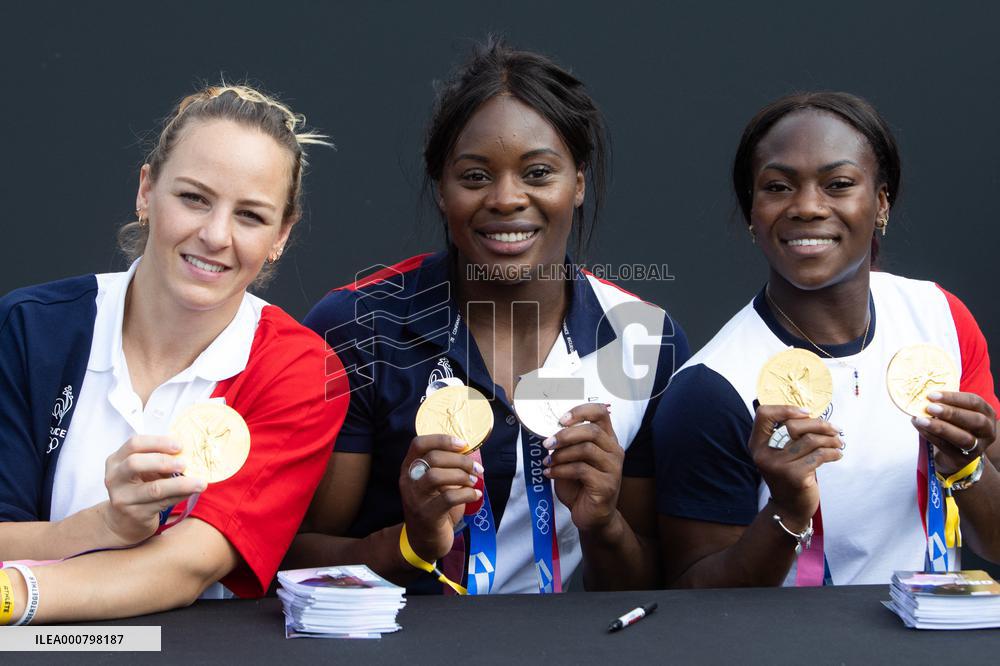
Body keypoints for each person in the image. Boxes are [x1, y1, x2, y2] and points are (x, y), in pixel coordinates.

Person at [288, 38, 689, 594]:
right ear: (440, 190)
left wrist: (604, 524)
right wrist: (411, 542)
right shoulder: (358, 325)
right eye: (475, 176)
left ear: (578, 183)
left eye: (539, 173)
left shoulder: (644, 338)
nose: (505, 198)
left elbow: (656, 585)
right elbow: (287, 559)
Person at [0, 84, 348, 623]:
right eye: (193, 198)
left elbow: (187, 566)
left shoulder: (302, 369)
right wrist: (104, 526)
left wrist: (13, 597)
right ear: (146, 190)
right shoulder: (29, 327)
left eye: (250, 216)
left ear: (282, 234)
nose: (214, 235)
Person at [654, 92, 1000, 587]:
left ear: (881, 202)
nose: (808, 207)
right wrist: (789, 510)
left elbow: (996, 540)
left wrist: (967, 467)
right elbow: (697, 598)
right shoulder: (712, 388)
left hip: (932, 641)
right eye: (777, 187)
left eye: (838, 184)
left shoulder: (941, 318)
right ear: (752, 212)